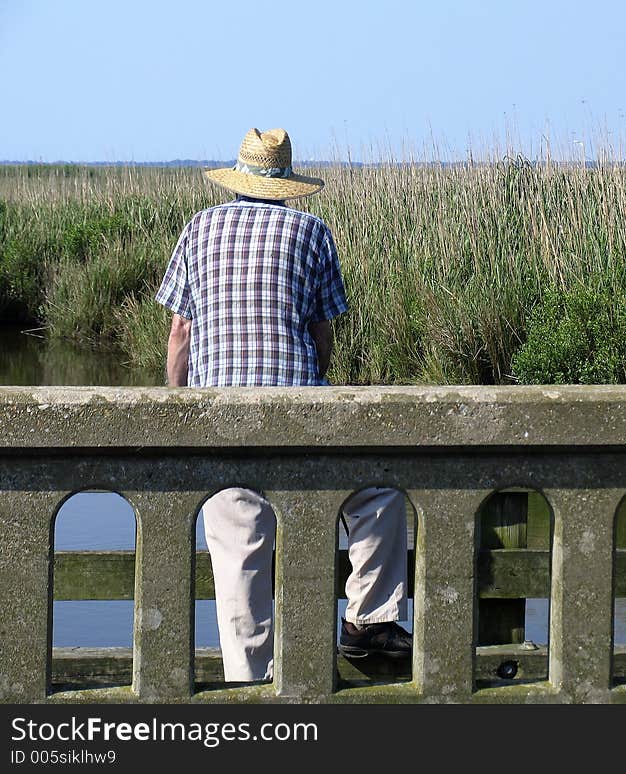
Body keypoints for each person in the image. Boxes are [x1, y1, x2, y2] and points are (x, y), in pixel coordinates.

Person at [155, 127, 412, 682]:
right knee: (379, 494)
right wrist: (311, 381)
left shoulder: (199, 228)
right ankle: (368, 620)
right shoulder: (311, 231)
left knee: (240, 553)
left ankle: (253, 683)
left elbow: (180, 333)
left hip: (221, 418)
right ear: (288, 182)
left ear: (237, 178)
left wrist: (179, 407)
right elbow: (321, 333)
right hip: (299, 419)